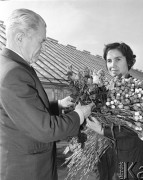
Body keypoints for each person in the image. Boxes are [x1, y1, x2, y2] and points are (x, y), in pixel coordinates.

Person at [0, 9, 94, 180]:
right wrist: (80, 114)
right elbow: (46, 129)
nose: (42, 48)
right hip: (27, 171)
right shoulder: (13, 73)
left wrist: (58, 104)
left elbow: (22, 111)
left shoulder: (10, 66)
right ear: (20, 38)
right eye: (40, 41)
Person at [87, 42, 143, 180]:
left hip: (130, 159)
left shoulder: (139, 90)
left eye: (118, 59)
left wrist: (102, 130)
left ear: (129, 61)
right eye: (109, 60)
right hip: (108, 155)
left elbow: (137, 127)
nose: (112, 65)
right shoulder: (108, 89)